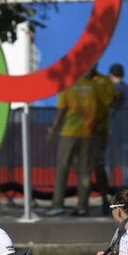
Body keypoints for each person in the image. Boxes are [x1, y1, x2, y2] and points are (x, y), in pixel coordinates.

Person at [47, 71, 98, 216]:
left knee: (62, 169)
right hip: (87, 134)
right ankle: (83, 206)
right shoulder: (91, 87)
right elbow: (95, 111)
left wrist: (52, 130)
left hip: (69, 132)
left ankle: (57, 204)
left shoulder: (67, 86)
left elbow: (61, 111)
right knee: (84, 171)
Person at [88, 66, 115, 213]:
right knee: (83, 168)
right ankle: (83, 204)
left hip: (98, 131)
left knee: (99, 165)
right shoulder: (79, 81)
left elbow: (111, 102)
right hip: (80, 132)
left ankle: (105, 199)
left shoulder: (104, 82)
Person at [108, 63, 128, 187]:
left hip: (110, 129)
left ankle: (108, 188)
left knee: (107, 160)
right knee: (127, 161)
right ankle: (126, 187)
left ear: (111, 75)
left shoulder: (107, 90)